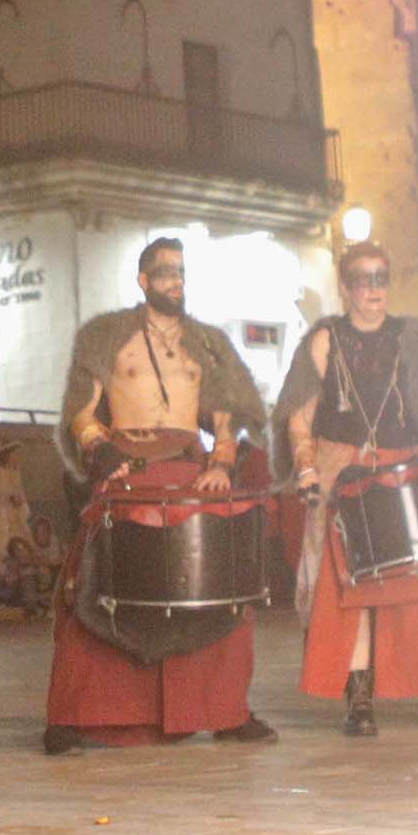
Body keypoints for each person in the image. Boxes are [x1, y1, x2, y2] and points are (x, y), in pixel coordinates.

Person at [48, 237, 275, 751]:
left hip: (191, 469)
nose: (177, 281)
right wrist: (102, 451)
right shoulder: (106, 337)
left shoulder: (208, 343)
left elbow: (226, 415)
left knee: (225, 576)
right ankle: (72, 715)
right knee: (88, 579)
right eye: (165, 272)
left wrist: (220, 463)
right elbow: (82, 412)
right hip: (127, 464)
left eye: (181, 272)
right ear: (143, 280)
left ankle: (226, 710)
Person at [276, 241, 418, 736]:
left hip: (405, 469)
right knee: (354, 593)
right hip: (345, 472)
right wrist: (306, 469)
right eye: (364, 280)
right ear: (346, 288)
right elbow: (298, 419)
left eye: (382, 278)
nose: (374, 289)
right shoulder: (324, 340)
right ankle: (360, 699)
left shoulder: (413, 338)